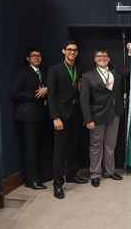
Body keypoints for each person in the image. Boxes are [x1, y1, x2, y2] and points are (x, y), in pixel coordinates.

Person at [47, 40, 88, 199]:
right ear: (63, 51)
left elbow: (80, 93)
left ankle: (71, 174)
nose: (72, 52)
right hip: (61, 117)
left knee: (73, 147)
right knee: (59, 151)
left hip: (76, 115)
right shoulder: (54, 70)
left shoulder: (79, 69)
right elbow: (51, 95)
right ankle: (57, 184)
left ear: (77, 53)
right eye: (69, 49)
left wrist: (84, 115)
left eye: (75, 50)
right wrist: (55, 117)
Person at [80, 49, 124, 187]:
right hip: (96, 116)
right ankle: (95, 174)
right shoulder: (87, 76)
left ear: (109, 59)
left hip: (114, 114)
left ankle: (109, 171)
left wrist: (130, 53)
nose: (102, 58)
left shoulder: (115, 74)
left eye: (105, 56)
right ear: (95, 59)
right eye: (99, 56)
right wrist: (88, 119)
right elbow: (84, 100)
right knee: (96, 145)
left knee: (111, 145)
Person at [11, 47, 48, 190]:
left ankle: (39, 177)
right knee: (30, 149)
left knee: (38, 148)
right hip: (27, 116)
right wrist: (33, 96)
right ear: (28, 58)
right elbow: (14, 94)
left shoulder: (42, 72)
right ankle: (31, 181)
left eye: (39, 55)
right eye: (33, 56)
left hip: (40, 116)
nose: (37, 58)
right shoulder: (23, 73)